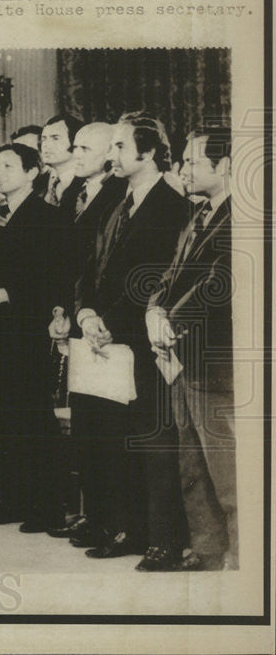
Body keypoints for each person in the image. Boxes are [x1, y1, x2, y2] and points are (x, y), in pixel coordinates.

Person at [73, 112, 192, 569]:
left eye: (120, 146)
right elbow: (91, 266)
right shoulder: (119, 202)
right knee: (118, 437)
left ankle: (163, 538)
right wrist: (86, 313)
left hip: (144, 342)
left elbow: (154, 281)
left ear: (148, 151)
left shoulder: (171, 205)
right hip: (107, 337)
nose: (112, 154)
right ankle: (129, 528)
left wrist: (107, 322)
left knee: (153, 440)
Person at [0, 143, 71, 531]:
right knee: (6, 417)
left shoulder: (47, 216)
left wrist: (7, 294)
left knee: (33, 418)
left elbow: (54, 278)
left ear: (32, 172)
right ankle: (14, 499)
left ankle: (46, 506)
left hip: (25, 332)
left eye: (8, 166)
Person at [146, 127, 236, 571]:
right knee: (192, 464)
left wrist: (169, 318)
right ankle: (207, 549)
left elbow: (218, 282)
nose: (183, 169)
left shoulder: (245, 217)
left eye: (194, 162)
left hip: (216, 361)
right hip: (182, 357)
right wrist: (154, 308)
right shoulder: (197, 213)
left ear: (227, 167)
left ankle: (242, 559)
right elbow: (170, 273)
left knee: (229, 471)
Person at [46, 121, 128, 543]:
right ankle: (92, 513)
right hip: (77, 316)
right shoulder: (72, 196)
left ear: (109, 156)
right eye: (73, 147)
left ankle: (111, 519)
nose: (76, 154)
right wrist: (62, 309)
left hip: (103, 322)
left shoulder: (118, 195)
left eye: (85, 148)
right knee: (85, 424)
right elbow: (65, 263)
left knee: (107, 426)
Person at [38, 114, 84, 207]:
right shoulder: (40, 183)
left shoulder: (86, 184)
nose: (46, 145)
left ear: (76, 141)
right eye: (44, 139)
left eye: (55, 138)